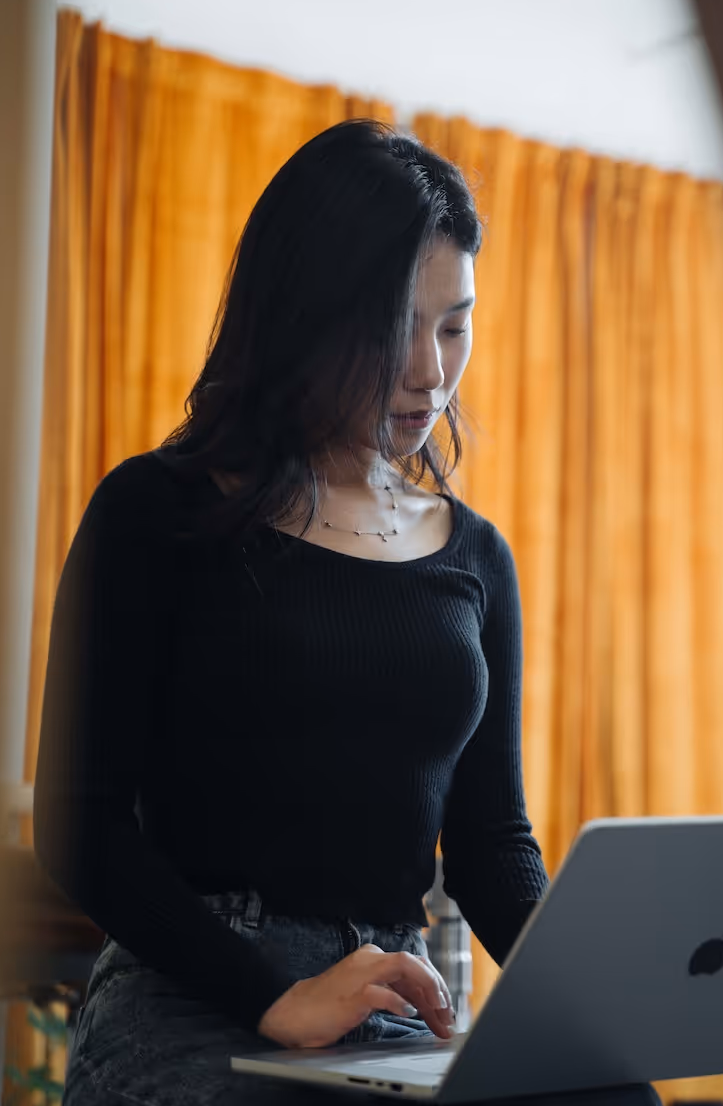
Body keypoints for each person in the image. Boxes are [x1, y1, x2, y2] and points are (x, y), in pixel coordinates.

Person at [33, 118, 549, 1105]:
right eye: (396, 324)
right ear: (304, 312)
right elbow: (78, 823)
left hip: (389, 999)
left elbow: (489, 847)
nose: (430, 375)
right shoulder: (157, 509)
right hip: (192, 992)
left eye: (453, 324)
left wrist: (598, 1011)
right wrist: (276, 994)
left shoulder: (474, 555)